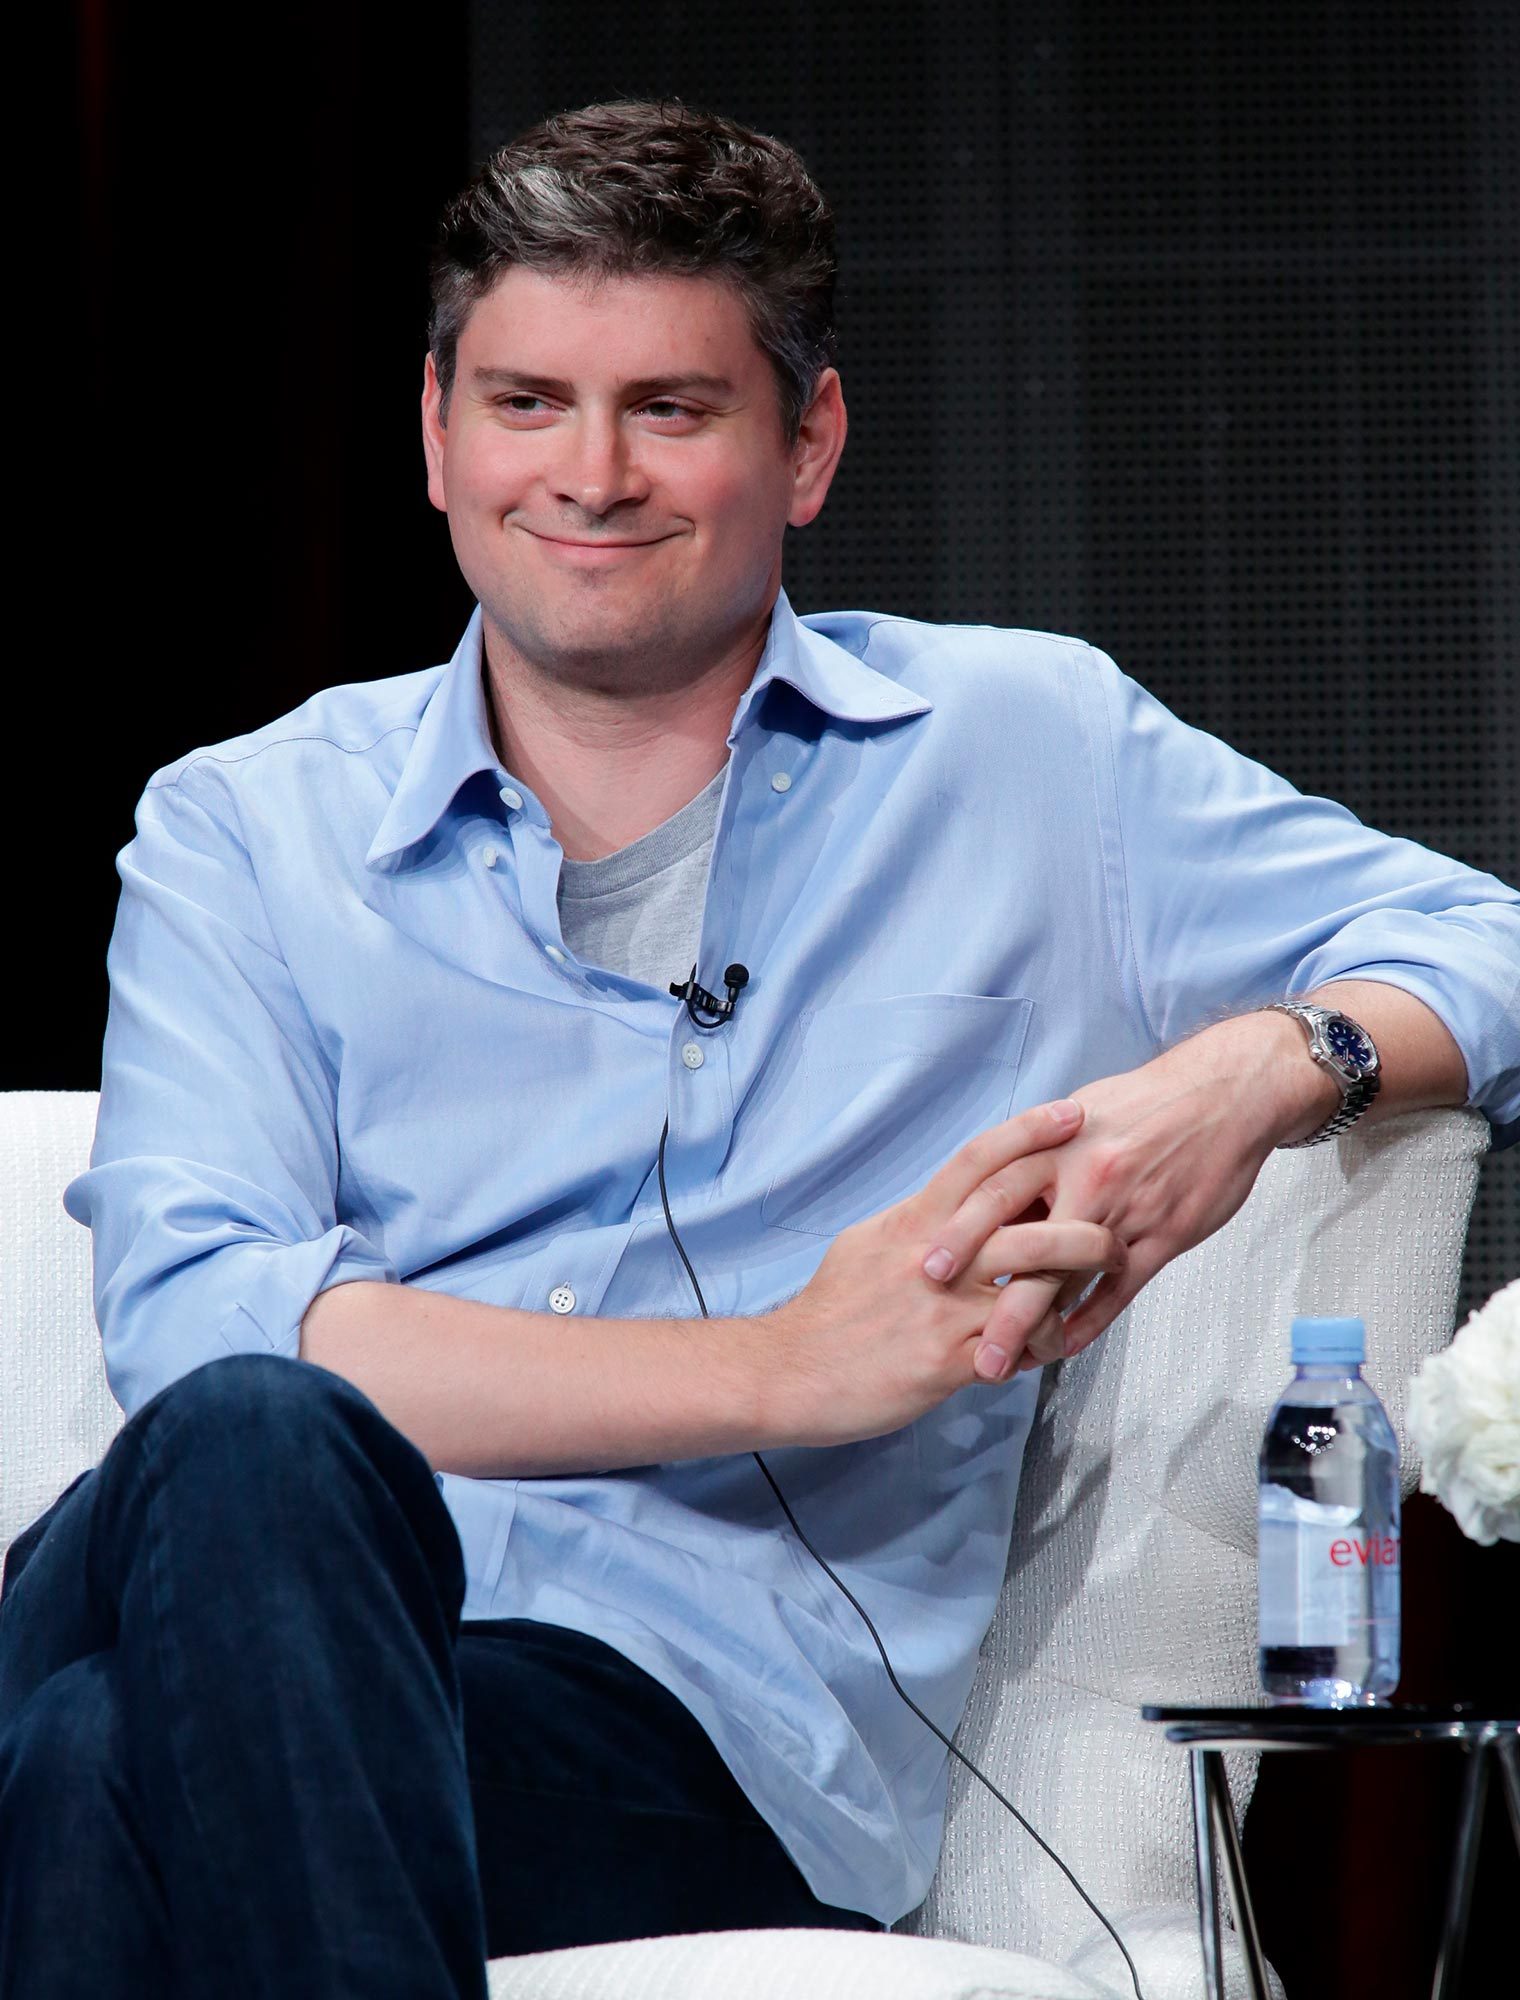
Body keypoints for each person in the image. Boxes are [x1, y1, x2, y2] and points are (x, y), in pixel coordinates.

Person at [2, 94, 1516, 1999]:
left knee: (81, 1769)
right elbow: (199, 1322)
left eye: (673, 409)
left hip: (672, 1735)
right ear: (434, 432)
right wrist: (784, 1367)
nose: (591, 472)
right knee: (251, 1433)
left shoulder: (1022, 753)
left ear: (807, 445)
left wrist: (1261, 1067)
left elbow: (1494, 944)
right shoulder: (247, 821)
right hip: (198, 1565)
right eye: (528, 401)